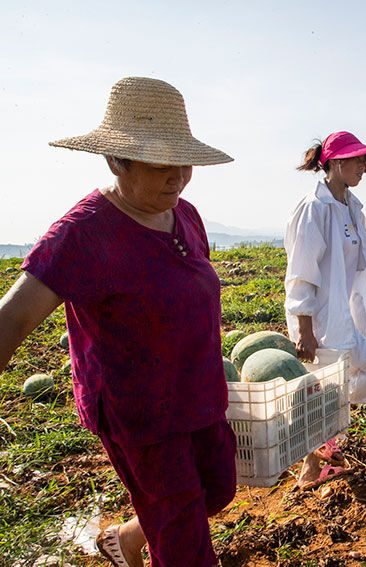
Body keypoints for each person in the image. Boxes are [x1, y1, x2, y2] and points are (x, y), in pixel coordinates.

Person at [0, 77, 235, 567]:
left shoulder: (185, 214)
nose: (178, 176)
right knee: (183, 538)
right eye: (159, 163)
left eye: (184, 161)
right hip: (142, 414)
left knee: (217, 490)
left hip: (200, 393)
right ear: (115, 160)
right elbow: (13, 318)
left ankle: (128, 536)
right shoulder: (82, 234)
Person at [284, 131, 366, 490]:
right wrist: (304, 328)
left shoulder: (351, 206)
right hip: (321, 319)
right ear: (335, 163)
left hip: (345, 317)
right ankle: (312, 464)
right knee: (327, 391)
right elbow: (301, 270)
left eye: (365, 162)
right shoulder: (314, 209)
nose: (363, 168)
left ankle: (325, 445)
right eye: (356, 161)